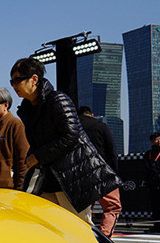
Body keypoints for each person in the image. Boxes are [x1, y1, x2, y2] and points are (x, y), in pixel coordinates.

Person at [10, 57, 120, 224]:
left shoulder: (58, 100)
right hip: (48, 180)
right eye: (12, 81)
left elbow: (71, 136)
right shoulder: (27, 109)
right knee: (46, 228)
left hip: (71, 178)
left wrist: (38, 156)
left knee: (77, 229)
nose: (14, 85)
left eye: (18, 80)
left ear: (34, 79)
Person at [78, 106, 122, 237]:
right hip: (102, 172)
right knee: (112, 207)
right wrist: (114, 174)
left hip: (80, 173)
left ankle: (84, 236)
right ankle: (105, 237)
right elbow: (112, 153)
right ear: (91, 115)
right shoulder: (101, 126)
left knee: (84, 209)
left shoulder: (73, 127)